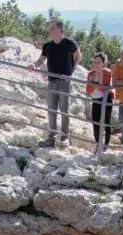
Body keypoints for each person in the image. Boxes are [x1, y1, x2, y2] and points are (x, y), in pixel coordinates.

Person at [30, 19, 81, 148]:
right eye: (50, 28)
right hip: (52, 81)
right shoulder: (48, 46)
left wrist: (71, 71)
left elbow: (78, 56)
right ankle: (51, 138)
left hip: (64, 81)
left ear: (60, 30)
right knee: (51, 110)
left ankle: (64, 137)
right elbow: (41, 59)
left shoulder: (69, 43)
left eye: (52, 28)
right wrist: (34, 65)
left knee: (64, 110)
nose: (50, 31)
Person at [86, 53, 113, 152]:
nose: (96, 64)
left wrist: (94, 83)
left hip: (106, 99)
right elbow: (88, 91)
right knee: (96, 122)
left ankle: (106, 144)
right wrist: (95, 84)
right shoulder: (90, 73)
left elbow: (106, 88)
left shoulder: (108, 73)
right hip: (96, 99)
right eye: (95, 62)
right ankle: (98, 143)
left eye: (99, 62)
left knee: (106, 122)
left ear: (103, 63)